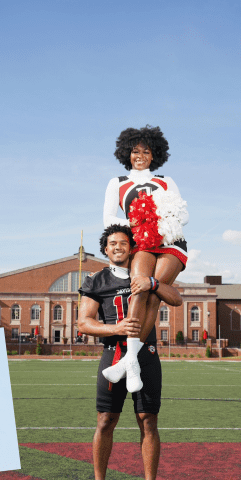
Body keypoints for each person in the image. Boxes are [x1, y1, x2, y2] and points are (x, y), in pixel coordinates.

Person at [77, 224, 183, 480]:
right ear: (105, 249)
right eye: (112, 243)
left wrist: (155, 284)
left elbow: (176, 299)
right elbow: (84, 323)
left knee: (148, 420)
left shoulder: (147, 273)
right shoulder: (95, 280)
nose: (117, 247)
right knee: (105, 421)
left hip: (146, 355)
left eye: (123, 243)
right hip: (113, 354)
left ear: (132, 247)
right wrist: (116, 328)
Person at [101, 125, 187, 392]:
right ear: (127, 153)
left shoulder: (165, 180)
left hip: (169, 241)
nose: (140, 156)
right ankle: (132, 360)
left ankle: (128, 359)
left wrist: (159, 221)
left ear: (154, 155)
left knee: (154, 291)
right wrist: (139, 220)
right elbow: (107, 219)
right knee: (139, 289)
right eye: (135, 151)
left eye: (146, 151)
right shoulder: (117, 182)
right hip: (141, 242)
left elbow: (183, 214)